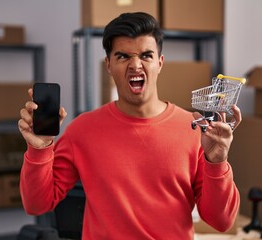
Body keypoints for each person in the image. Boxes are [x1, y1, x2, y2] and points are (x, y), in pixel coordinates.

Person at [18, 12, 241, 239]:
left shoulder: (194, 129)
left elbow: (221, 221)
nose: (135, 65)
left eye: (146, 55)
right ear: (108, 65)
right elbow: (37, 205)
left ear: (160, 63)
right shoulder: (82, 130)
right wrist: (39, 149)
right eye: (123, 56)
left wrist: (217, 162)